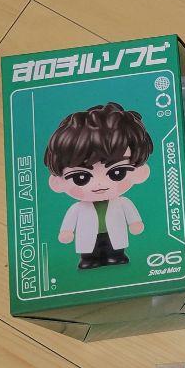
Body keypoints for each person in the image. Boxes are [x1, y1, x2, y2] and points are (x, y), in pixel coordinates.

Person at [43, 102, 153, 269]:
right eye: (81, 177)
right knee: (89, 251)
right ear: (58, 183)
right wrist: (66, 232)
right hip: (88, 236)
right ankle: (89, 259)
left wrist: (134, 223)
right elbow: (70, 221)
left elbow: (131, 214)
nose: (99, 183)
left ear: (140, 172)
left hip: (114, 234)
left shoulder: (122, 203)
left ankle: (116, 256)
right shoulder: (78, 208)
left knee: (115, 248)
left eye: (117, 173)